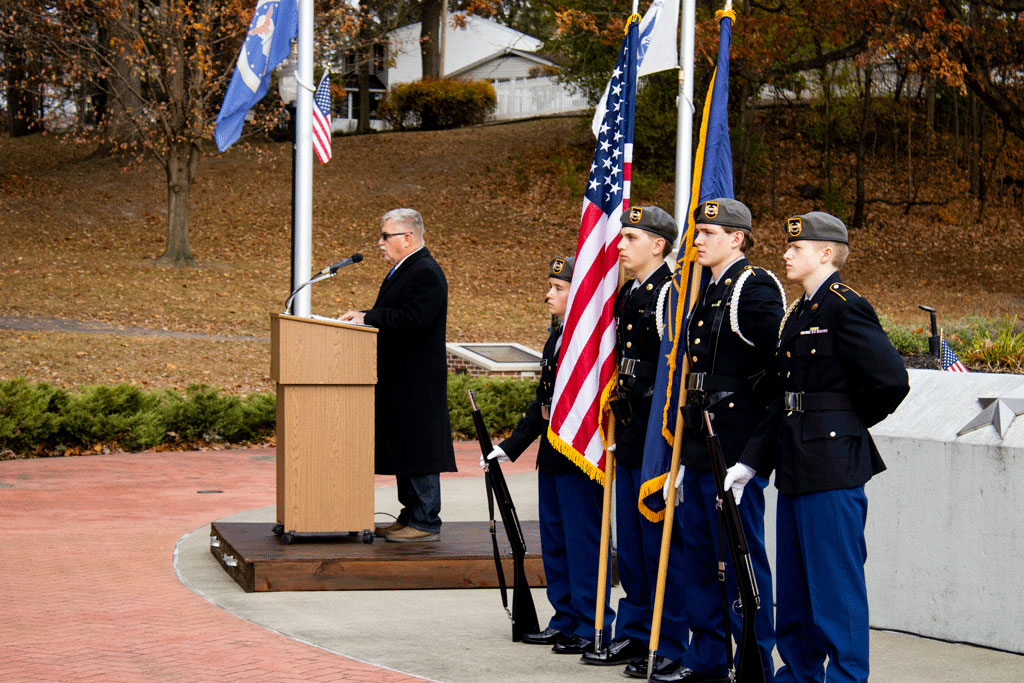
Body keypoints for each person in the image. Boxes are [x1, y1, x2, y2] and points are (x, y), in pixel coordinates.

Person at [724, 211, 910, 683]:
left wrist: (843, 423)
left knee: (835, 589)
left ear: (825, 253)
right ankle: (800, 675)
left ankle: (847, 678)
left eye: (796, 247)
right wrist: (749, 461)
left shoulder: (845, 307)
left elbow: (891, 380)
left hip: (832, 466)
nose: (786, 254)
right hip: (795, 463)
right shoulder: (798, 312)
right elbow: (784, 399)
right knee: (798, 588)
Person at [654, 199, 783, 683]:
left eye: (711, 231)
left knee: (741, 559)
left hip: (734, 452)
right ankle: (707, 660)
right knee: (701, 563)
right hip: (702, 448)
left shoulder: (753, 288)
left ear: (738, 238)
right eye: (698, 231)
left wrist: (752, 459)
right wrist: (683, 460)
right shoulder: (709, 293)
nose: (699, 239)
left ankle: (752, 660)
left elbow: (776, 373)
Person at [483, 257, 614, 654]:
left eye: (559, 288)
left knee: (583, 542)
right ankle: (565, 618)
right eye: (551, 286)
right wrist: (508, 448)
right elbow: (544, 401)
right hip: (553, 455)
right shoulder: (556, 339)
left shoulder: (590, 341)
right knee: (556, 541)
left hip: (582, 455)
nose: (549, 295)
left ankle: (591, 623)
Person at [580, 206, 687, 679]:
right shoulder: (630, 292)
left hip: (654, 430)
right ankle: (639, 628)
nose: (620, 246)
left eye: (630, 238)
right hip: (627, 423)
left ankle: (668, 634)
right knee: (631, 536)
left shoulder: (671, 293)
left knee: (656, 536)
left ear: (658, 245)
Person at [341, 208, 456, 543]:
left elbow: (414, 321)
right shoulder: (405, 269)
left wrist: (368, 317)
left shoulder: (424, 272)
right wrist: (369, 317)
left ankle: (425, 521)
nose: (379, 242)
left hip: (416, 381)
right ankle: (410, 515)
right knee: (406, 449)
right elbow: (398, 314)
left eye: (385, 235)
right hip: (401, 379)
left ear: (408, 238)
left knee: (418, 450)